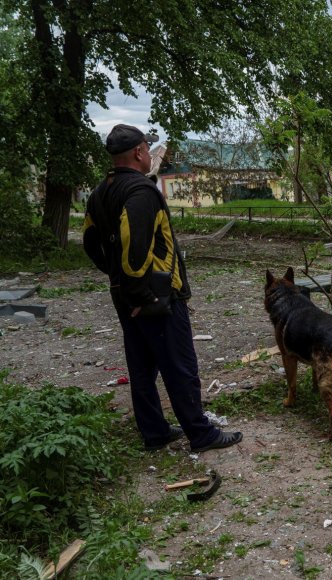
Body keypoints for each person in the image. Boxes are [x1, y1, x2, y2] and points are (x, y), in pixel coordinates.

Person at [83, 124, 242, 453]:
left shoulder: (101, 191)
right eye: (147, 147)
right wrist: (142, 293)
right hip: (156, 297)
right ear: (140, 152)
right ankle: (201, 433)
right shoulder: (141, 191)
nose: (149, 152)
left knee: (142, 366)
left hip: (125, 294)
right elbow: (133, 246)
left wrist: (115, 276)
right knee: (180, 365)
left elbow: (89, 241)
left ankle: (155, 432)